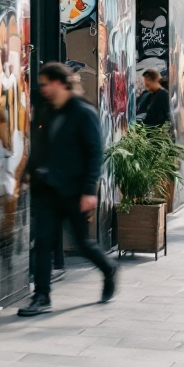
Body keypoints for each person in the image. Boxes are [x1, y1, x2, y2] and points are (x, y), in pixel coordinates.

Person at [21, 62, 117, 316]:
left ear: (61, 83)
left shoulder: (84, 113)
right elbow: (39, 147)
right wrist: (28, 172)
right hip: (47, 190)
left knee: (83, 243)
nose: (42, 89)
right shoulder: (45, 110)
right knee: (42, 242)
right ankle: (41, 296)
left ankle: (108, 269)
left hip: (74, 191)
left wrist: (89, 191)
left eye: (45, 84)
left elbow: (95, 153)